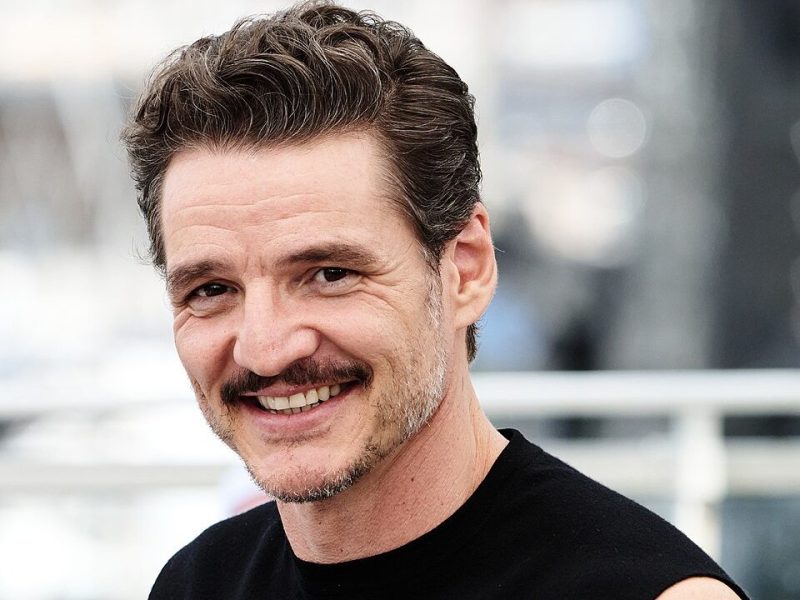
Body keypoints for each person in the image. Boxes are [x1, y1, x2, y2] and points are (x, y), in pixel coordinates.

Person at [122, 3, 749, 598]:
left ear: (466, 270)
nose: (264, 349)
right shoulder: (198, 583)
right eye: (211, 290)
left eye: (330, 274)